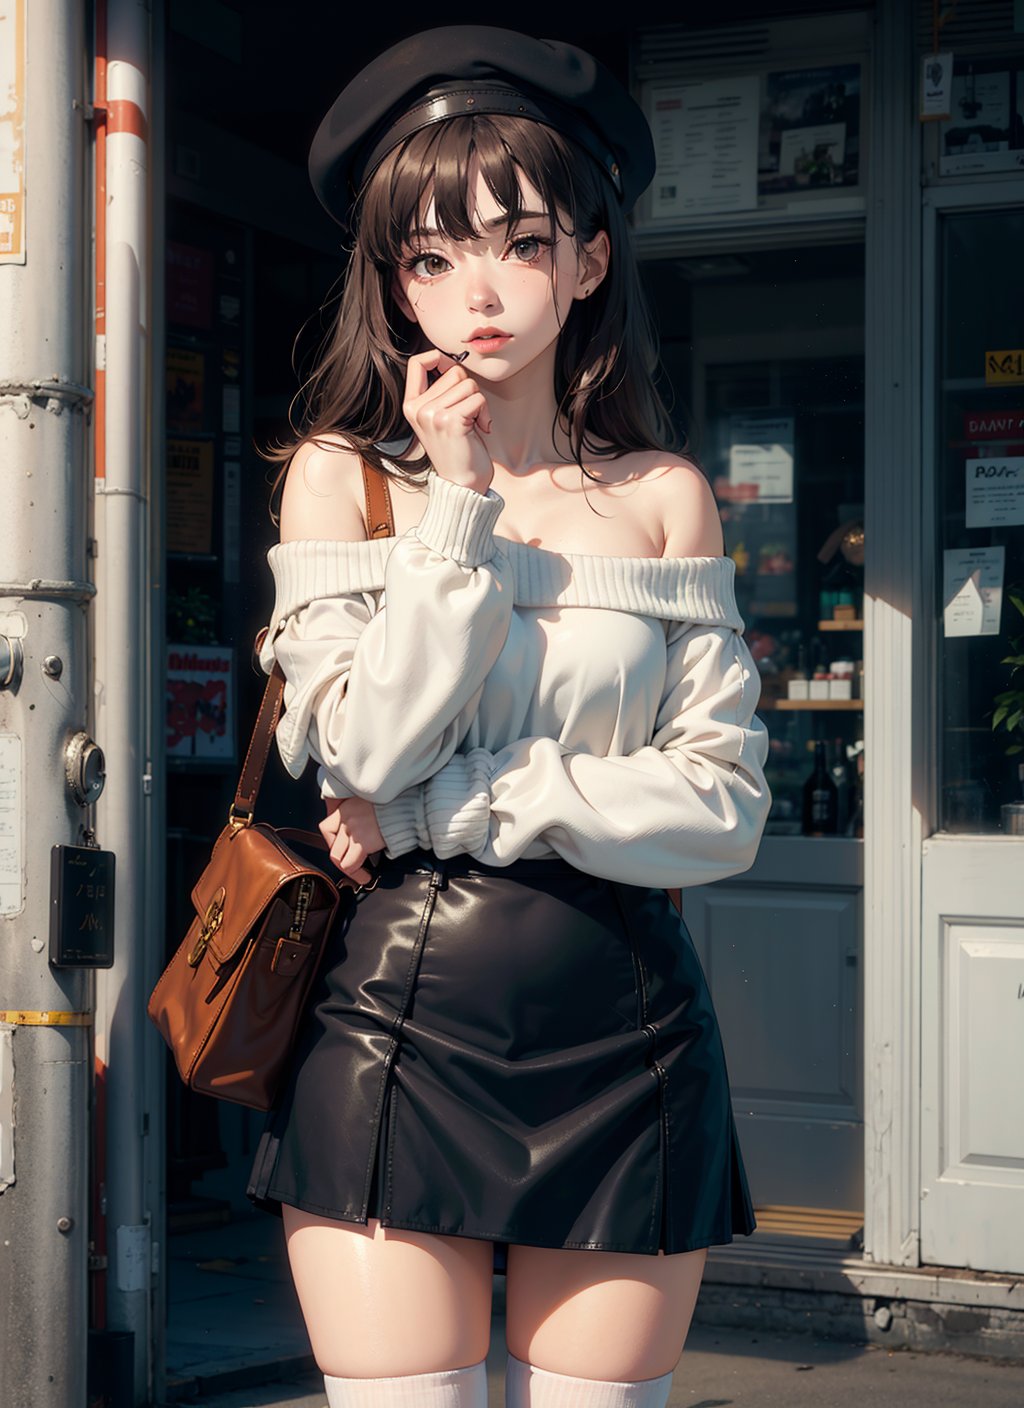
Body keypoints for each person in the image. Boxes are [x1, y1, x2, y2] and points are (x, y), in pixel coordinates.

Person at [246, 25, 771, 1408]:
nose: (474, 287)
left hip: (628, 1022)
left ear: (588, 261)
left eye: (517, 242)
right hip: (392, 1017)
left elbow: (722, 805)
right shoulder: (344, 481)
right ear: (393, 284)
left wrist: (451, 810)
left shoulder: (663, 496)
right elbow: (358, 748)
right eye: (429, 256)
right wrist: (462, 507)